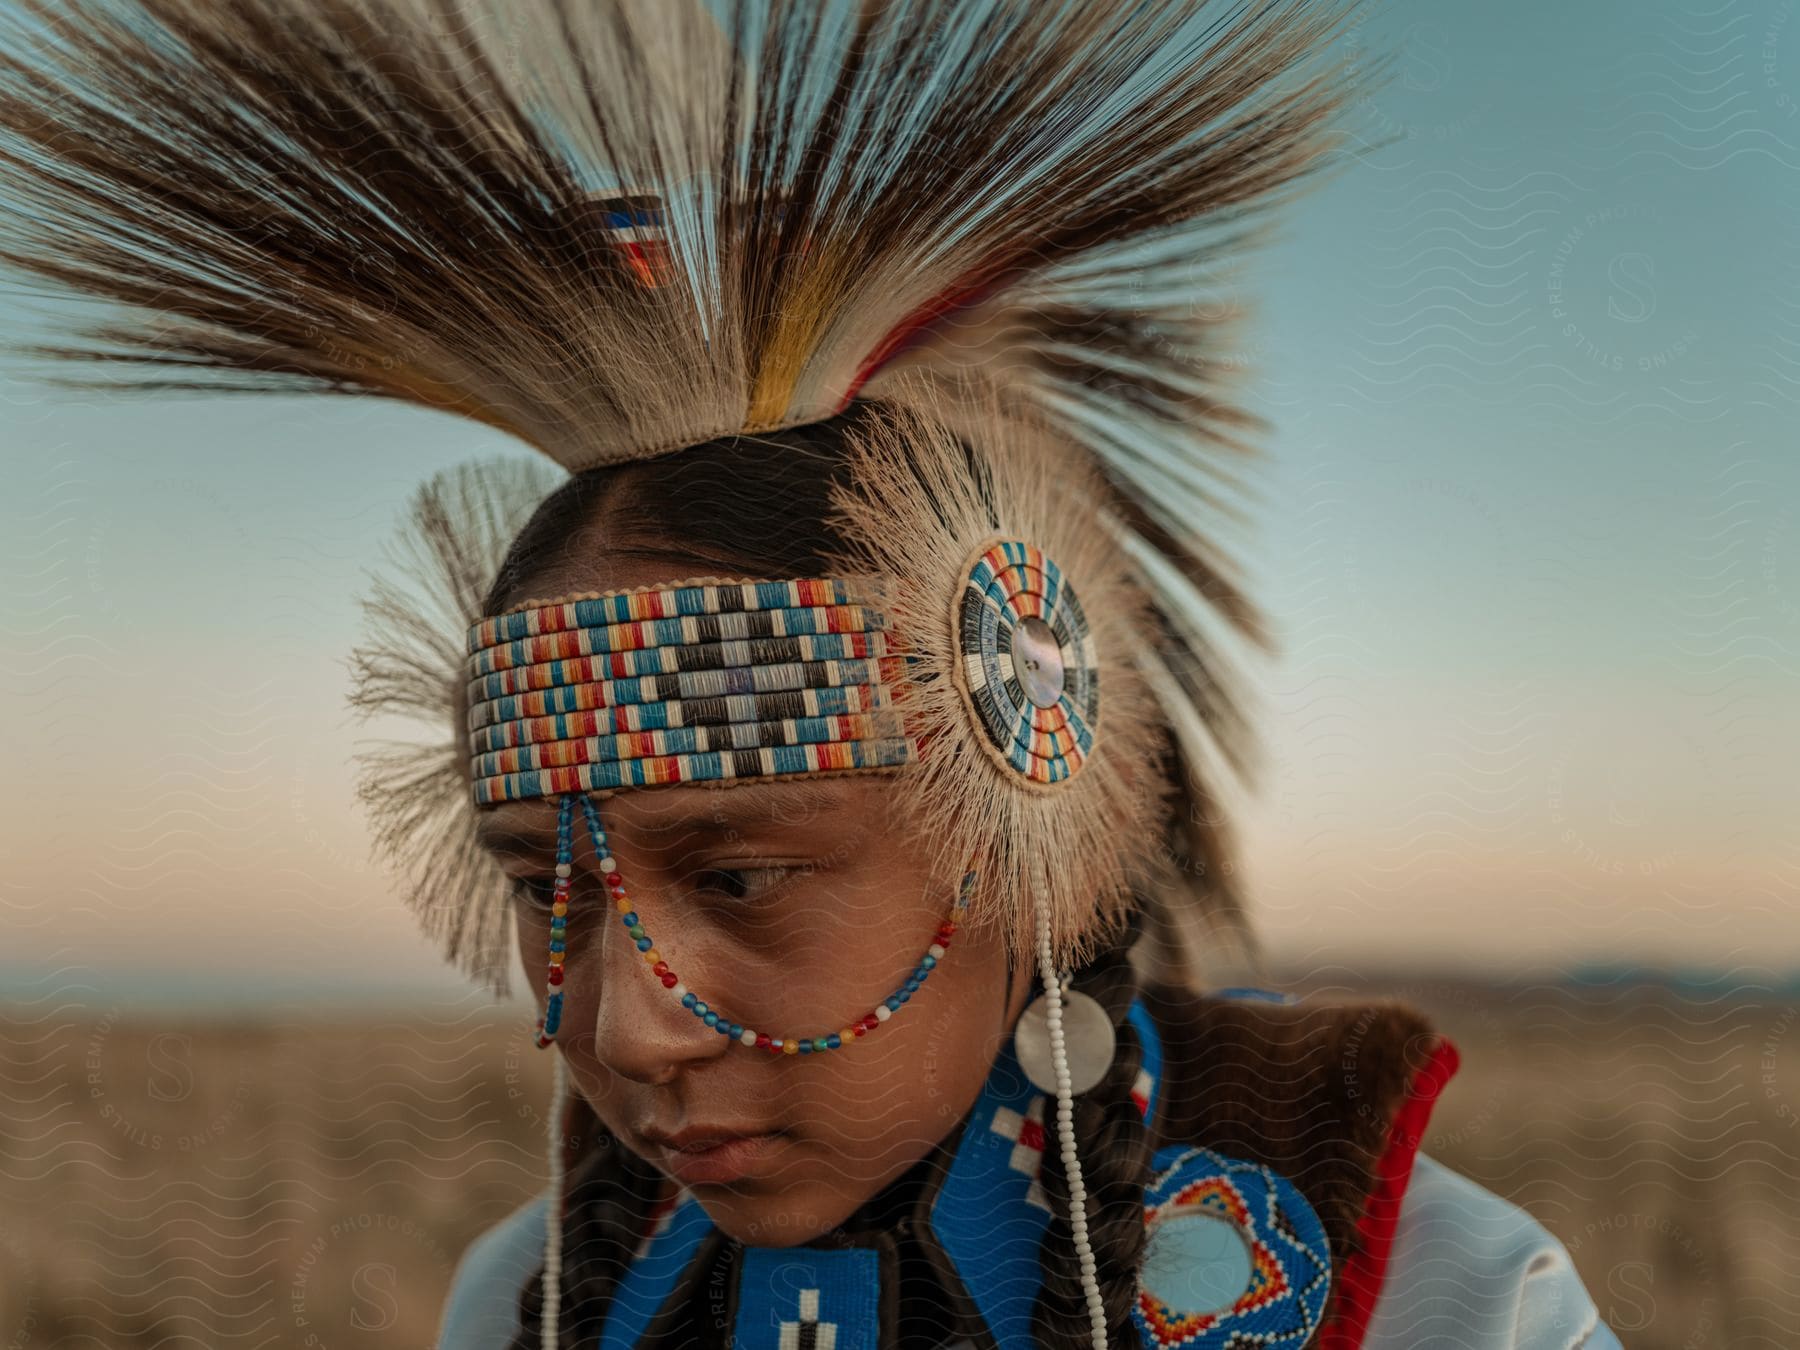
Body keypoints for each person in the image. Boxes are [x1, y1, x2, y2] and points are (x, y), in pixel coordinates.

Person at [0, 2, 1620, 1347]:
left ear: (1025, 839)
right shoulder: (531, 1292)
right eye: (540, 885)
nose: (625, 1031)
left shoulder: (1437, 1299)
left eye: (749, 872)